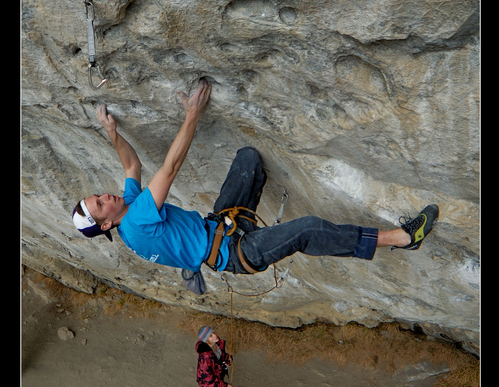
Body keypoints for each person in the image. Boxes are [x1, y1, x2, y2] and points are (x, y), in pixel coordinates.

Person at [72, 78, 439, 280]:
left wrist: (113, 133)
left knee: (248, 162)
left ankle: (253, 225)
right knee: (306, 229)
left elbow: (132, 166)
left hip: (222, 226)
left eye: (97, 195)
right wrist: (192, 115)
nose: (105, 196)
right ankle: (401, 238)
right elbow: (169, 168)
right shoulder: (136, 221)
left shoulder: (129, 210)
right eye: (100, 203)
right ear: (105, 224)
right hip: (236, 253)